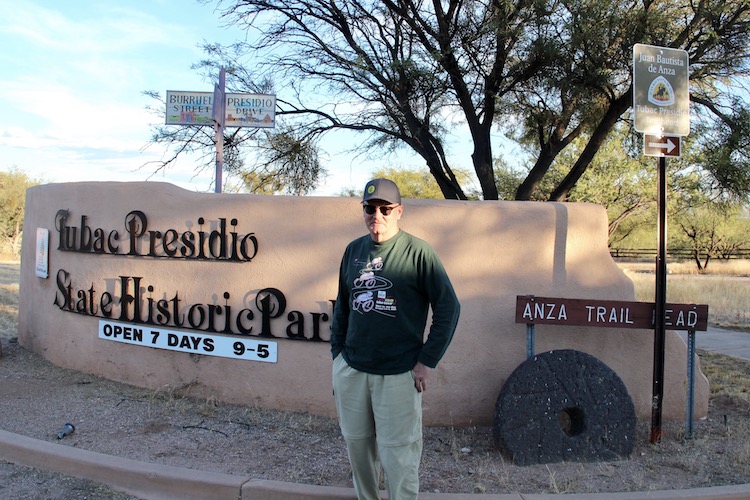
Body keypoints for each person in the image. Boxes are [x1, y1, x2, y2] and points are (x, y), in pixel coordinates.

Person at [330, 178, 461, 500]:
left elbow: (449, 307)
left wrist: (427, 361)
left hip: (399, 373)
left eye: (385, 209)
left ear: (399, 211)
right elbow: (343, 306)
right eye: (370, 208)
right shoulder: (353, 250)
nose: (377, 215)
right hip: (353, 369)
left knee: (398, 455)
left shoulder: (418, 252)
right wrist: (337, 357)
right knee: (358, 451)